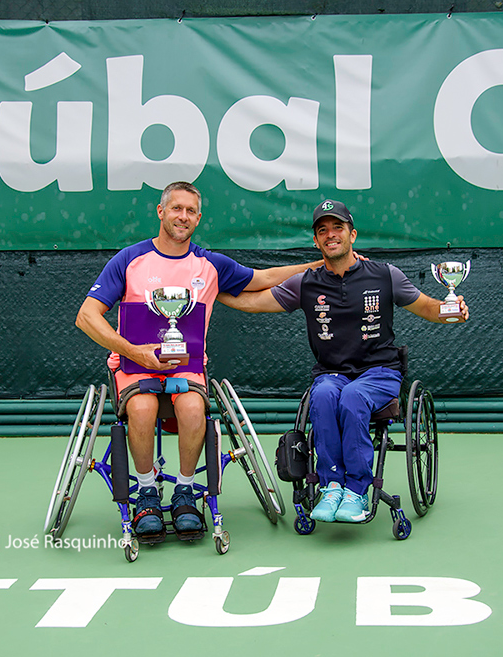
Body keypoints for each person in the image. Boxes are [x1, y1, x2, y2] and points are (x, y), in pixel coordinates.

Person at [75, 181, 321, 539]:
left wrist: (319, 264)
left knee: (192, 409)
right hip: (133, 366)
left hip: (187, 368)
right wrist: (133, 351)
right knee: (141, 410)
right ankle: (146, 492)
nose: (183, 217)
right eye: (176, 208)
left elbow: (263, 279)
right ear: (161, 211)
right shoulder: (129, 260)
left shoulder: (209, 265)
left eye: (190, 211)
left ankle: (185, 491)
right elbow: (86, 316)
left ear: (199, 218)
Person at [218, 199, 468, 524]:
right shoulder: (305, 282)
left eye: (338, 228)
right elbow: (253, 303)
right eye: (323, 230)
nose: (330, 234)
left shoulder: (385, 275)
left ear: (352, 235)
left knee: (352, 398)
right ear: (316, 241)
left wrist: (453, 310)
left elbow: (429, 307)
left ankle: (356, 490)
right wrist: (208, 289)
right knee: (322, 395)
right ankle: (332, 486)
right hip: (331, 374)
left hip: (379, 373)